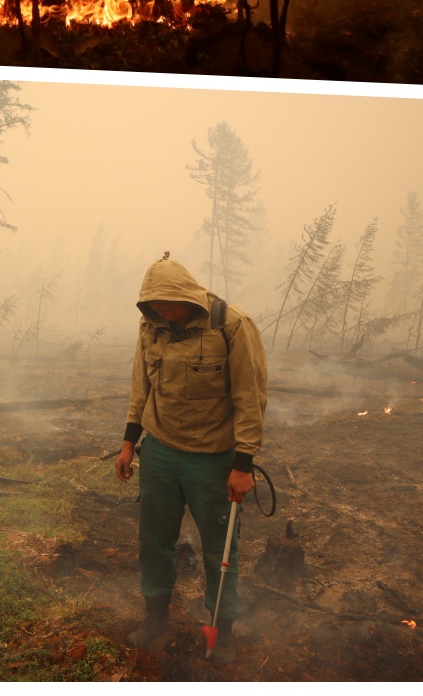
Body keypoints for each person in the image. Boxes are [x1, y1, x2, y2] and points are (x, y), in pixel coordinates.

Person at [113, 254, 268, 663]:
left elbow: (250, 398)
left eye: (166, 303)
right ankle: (155, 617)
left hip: (212, 458)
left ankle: (223, 629)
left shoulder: (231, 325)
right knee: (153, 540)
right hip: (161, 451)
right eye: (153, 305)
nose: (160, 311)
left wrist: (243, 464)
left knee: (221, 549)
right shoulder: (152, 327)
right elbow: (139, 383)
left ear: (186, 294)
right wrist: (130, 442)